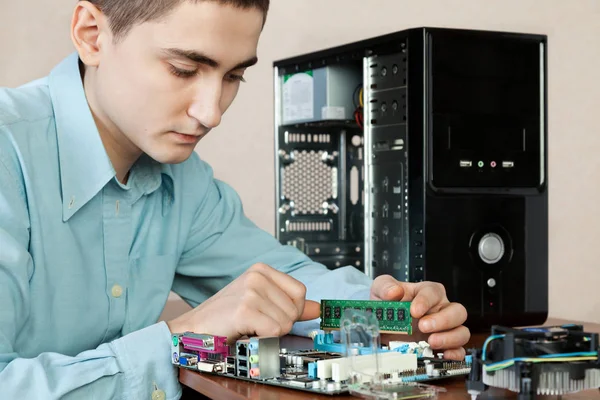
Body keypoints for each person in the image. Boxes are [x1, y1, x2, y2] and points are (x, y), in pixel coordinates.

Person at [0, 0, 470, 398]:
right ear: (91, 35)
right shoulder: (9, 153)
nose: (211, 112)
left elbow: (289, 285)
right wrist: (181, 337)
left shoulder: (184, 182)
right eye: (184, 69)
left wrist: (393, 314)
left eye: (233, 77)